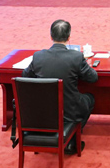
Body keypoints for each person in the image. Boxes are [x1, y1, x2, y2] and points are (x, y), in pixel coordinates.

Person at [23, 20, 98, 155]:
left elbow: (25, 76)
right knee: (89, 98)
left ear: (51, 36)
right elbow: (93, 78)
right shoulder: (76, 57)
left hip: (43, 111)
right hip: (70, 110)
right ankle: (72, 138)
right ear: (69, 37)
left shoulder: (38, 56)